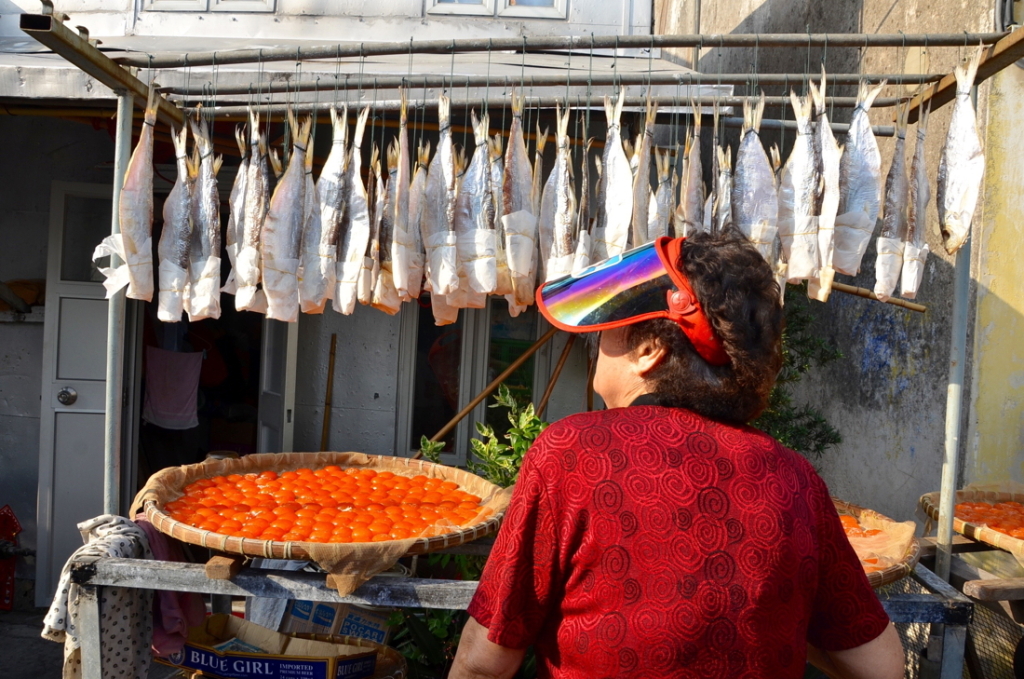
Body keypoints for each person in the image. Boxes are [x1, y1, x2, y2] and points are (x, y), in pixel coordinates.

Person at [449, 230, 904, 679]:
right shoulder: (793, 477)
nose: (597, 348)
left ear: (649, 349)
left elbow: (484, 662)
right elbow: (880, 666)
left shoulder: (572, 454)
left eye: (608, 332)